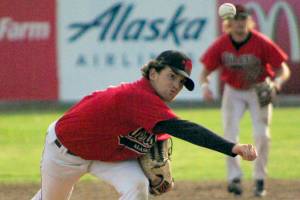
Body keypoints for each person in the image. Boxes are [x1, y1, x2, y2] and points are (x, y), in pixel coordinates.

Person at [31, 50, 257, 200]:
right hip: (65, 154)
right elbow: (186, 129)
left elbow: (159, 133)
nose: (176, 85)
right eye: (172, 76)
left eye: (181, 82)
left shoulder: (154, 109)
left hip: (105, 156)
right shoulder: (138, 97)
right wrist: (231, 147)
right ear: (153, 73)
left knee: (137, 186)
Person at [199, 4, 290, 197]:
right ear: (228, 23)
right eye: (236, 19)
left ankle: (259, 179)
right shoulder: (221, 44)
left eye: (243, 19)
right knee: (229, 134)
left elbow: (283, 69)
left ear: (249, 22)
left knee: (262, 135)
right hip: (233, 91)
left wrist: (276, 83)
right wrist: (205, 87)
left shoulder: (260, 42)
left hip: (259, 89)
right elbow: (205, 72)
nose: (239, 23)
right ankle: (234, 178)